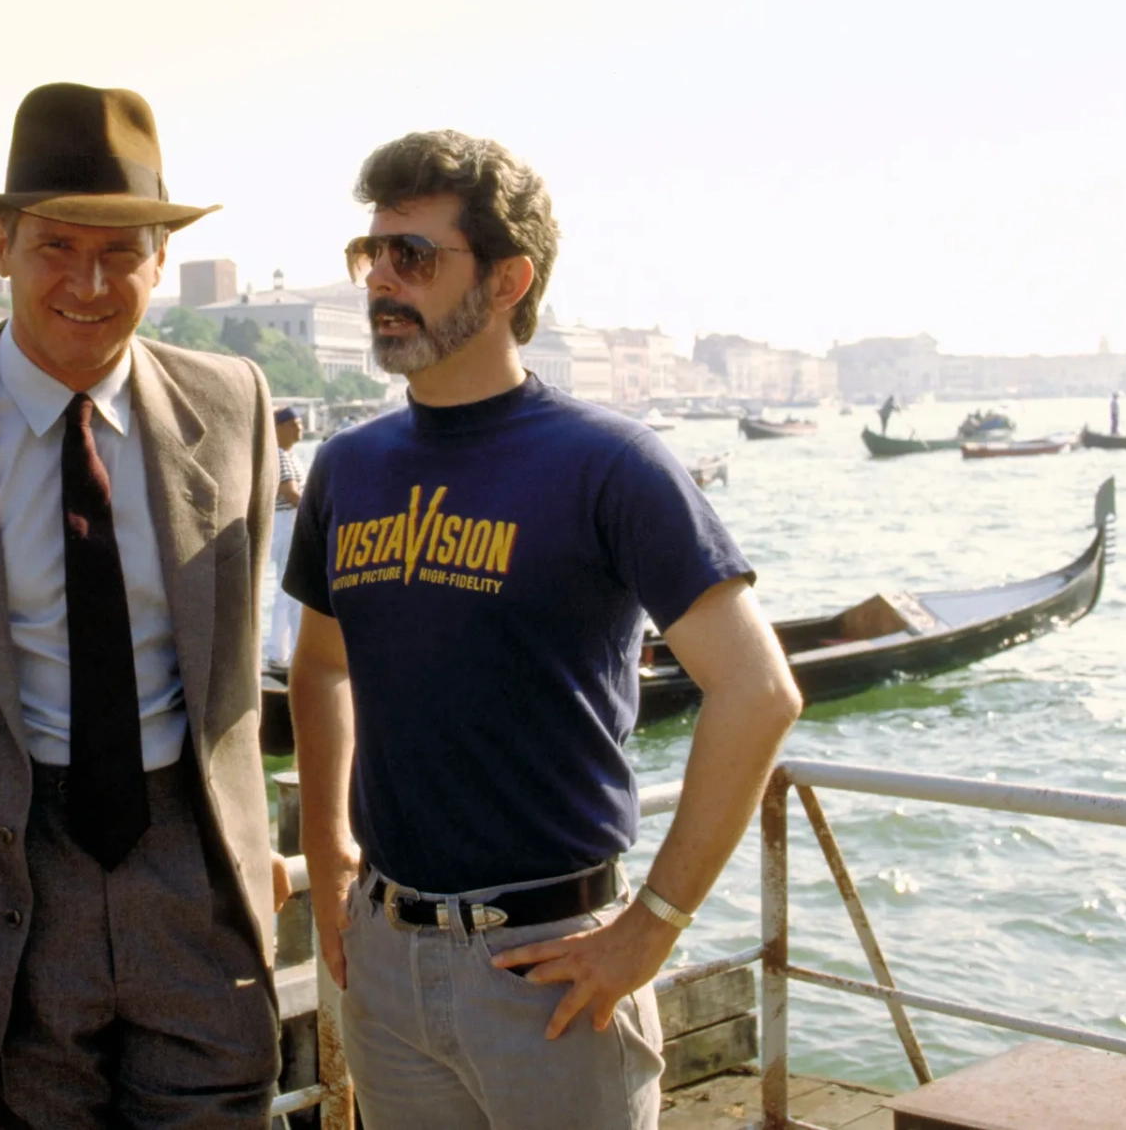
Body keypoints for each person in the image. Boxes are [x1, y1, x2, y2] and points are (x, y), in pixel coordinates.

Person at [285, 130, 802, 1130]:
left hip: (554, 968)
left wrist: (652, 925)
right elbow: (320, 667)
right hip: (386, 959)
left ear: (510, 278)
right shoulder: (347, 471)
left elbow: (759, 691)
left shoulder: (610, 465)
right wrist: (330, 853)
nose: (383, 282)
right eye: (373, 253)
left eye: (415, 257)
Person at [0, 83, 282, 1129]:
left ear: (160, 260)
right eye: (57, 247)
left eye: (123, 251)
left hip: (197, 895)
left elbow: (244, 660)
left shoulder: (236, 406)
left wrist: (264, 852)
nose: (90, 281)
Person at [264, 405, 306, 670]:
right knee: (288, 589)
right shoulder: (279, 455)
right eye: (294, 424)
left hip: (286, 525)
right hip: (286, 525)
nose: (299, 429)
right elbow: (291, 494)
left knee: (289, 589)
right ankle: (280, 653)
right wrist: (319, 514)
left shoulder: (286, 455)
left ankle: (283, 651)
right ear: (278, 428)